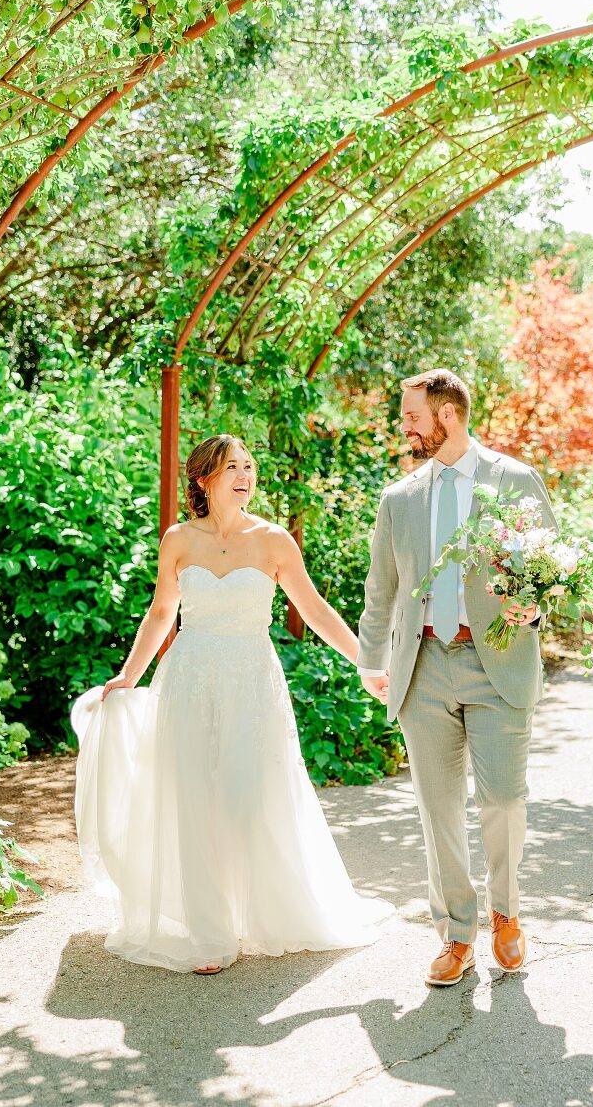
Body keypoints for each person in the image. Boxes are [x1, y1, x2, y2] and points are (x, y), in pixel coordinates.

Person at [72, 434, 393, 974]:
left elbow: (313, 609)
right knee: (192, 798)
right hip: (188, 678)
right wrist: (130, 675)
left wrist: (368, 664)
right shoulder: (178, 540)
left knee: (246, 797)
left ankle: (263, 915)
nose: (245, 475)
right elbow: (160, 615)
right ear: (204, 479)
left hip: (251, 680)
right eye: (231, 468)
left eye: (249, 466)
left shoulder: (273, 541)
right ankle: (209, 933)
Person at [357, 368, 557, 985]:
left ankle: (506, 916)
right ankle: (455, 933)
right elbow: (381, 588)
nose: (405, 426)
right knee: (437, 810)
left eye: (412, 415)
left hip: (497, 662)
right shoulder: (400, 497)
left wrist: (536, 604)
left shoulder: (515, 479)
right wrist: (372, 661)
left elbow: (550, 565)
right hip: (424, 667)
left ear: (447, 415)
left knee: (501, 799)